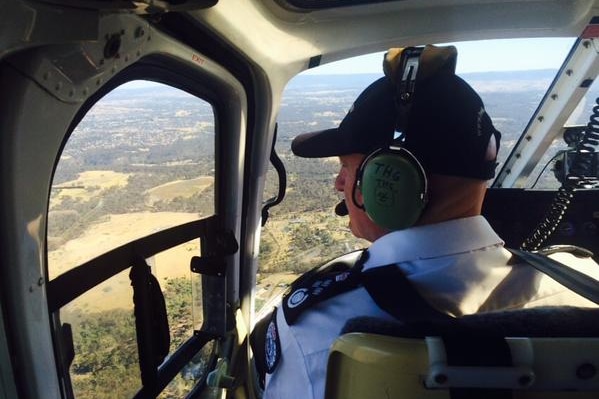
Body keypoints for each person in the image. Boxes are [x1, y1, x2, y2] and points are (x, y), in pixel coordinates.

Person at [256, 45, 599, 399]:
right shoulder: (583, 281)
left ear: (392, 179)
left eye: (347, 167)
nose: (338, 184)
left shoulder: (319, 329)